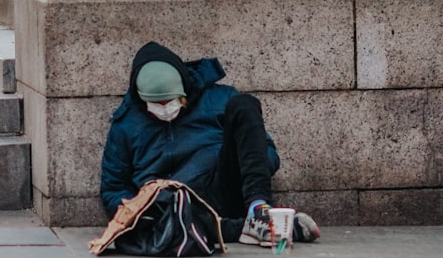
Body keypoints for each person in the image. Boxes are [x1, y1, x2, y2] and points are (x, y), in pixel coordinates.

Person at [100, 41, 320, 246]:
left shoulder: (219, 99)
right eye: (157, 103)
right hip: (174, 207)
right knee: (164, 224)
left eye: (171, 100)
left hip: (224, 185)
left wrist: (245, 166)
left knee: (244, 105)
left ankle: (258, 213)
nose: (165, 107)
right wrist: (136, 208)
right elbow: (113, 187)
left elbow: (268, 154)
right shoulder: (126, 124)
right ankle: (252, 229)